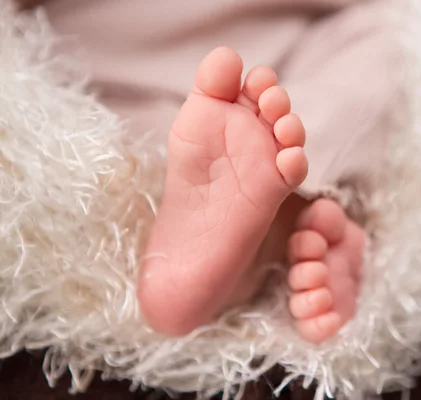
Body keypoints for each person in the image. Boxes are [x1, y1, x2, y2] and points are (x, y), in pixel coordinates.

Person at [40, 0, 397, 343]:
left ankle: (265, 232)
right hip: (270, 57)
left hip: (110, 55)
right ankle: (276, 227)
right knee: (382, 45)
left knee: (78, 94)